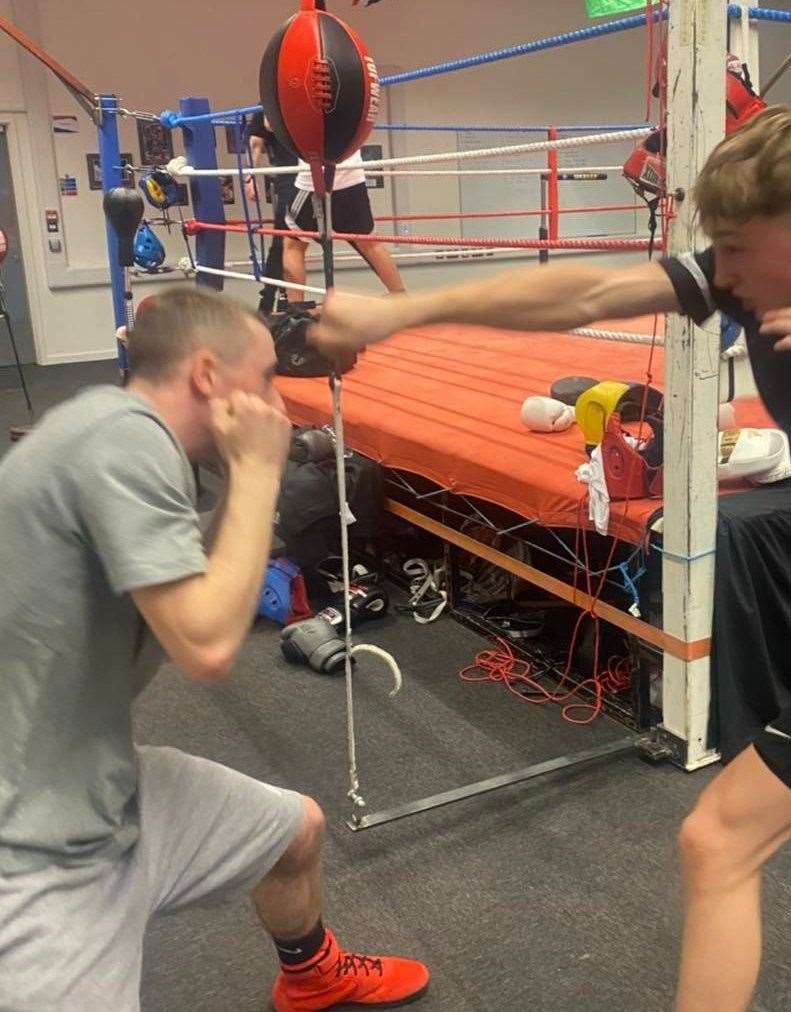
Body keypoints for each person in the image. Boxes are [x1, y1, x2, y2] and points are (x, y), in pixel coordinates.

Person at [310, 106, 791, 1010]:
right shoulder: (758, 270)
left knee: (716, 843)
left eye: (740, 253)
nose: (725, 275)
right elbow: (586, 296)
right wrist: (402, 310)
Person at [0, 288, 427, 1011]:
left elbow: (197, 578)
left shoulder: (119, 431)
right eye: (261, 376)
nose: (271, 396)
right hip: (29, 846)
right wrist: (259, 471)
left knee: (291, 833)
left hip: (93, 777)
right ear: (206, 375)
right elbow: (205, 645)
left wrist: (243, 476)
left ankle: (310, 972)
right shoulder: (121, 442)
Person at [284, 147, 404, 304]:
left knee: (294, 246)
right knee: (370, 243)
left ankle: (295, 309)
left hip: (313, 180)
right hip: (352, 178)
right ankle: (400, 295)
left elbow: (269, 125)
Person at [245, 115, 300, 314]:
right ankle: (275, 300)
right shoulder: (268, 105)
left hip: (308, 174)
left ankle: (277, 301)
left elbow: (256, 143)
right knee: (285, 243)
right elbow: (256, 143)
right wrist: (249, 178)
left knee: (287, 243)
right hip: (293, 180)